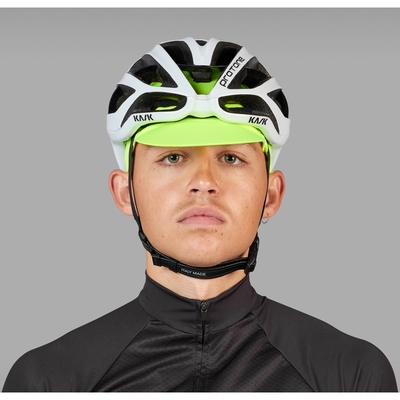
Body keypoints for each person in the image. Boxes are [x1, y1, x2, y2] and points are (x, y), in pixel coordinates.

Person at [2, 37, 398, 392]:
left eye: (231, 157)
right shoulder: (50, 381)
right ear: (125, 193)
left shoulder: (349, 376)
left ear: (271, 195)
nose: (204, 183)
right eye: (173, 157)